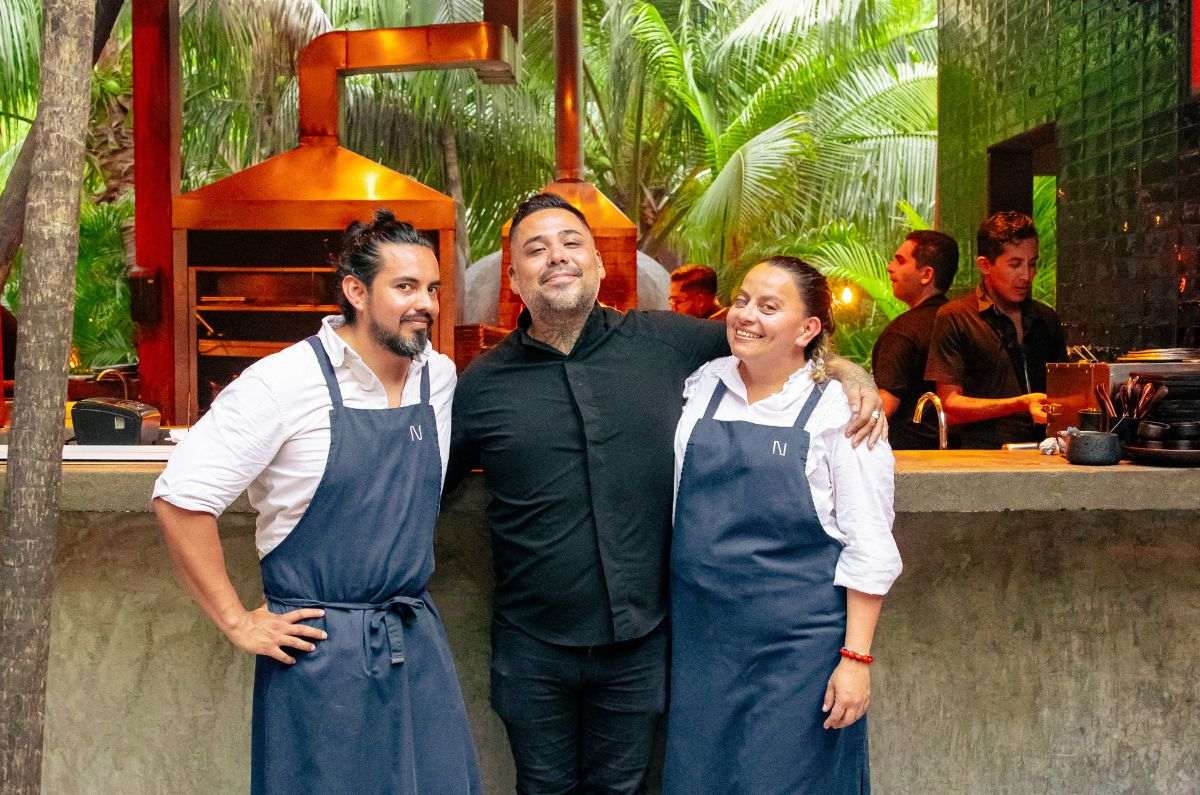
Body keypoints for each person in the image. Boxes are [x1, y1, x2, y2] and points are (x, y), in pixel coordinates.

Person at [449, 192, 887, 794]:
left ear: (601, 265)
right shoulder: (480, 386)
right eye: (536, 249)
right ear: (514, 275)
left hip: (642, 645)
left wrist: (849, 372)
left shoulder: (670, 344)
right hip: (534, 646)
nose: (557, 257)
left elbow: (778, 347)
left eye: (572, 243)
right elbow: (425, 487)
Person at [153, 210, 480, 794]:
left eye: (431, 288)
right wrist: (236, 621)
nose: (425, 303)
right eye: (404, 287)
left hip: (413, 637)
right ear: (356, 291)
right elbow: (182, 497)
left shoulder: (441, 378)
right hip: (319, 653)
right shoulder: (280, 383)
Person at [665, 256, 901, 794]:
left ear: (808, 328)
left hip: (796, 654)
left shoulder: (841, 411)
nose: (746, 315)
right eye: (743, 300)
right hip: (702, 645)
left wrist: (856, 659)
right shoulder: (702, 385)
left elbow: (870, 545)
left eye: (769, 307)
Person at [925, 211, 1066, 448]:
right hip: (981, 457)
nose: (1026, 275)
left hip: (1046, 453)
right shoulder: (956, 316)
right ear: (985, 265)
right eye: (1015, 264)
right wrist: (1019, 403)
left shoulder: (1046, 318)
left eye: (1032, 264)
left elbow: (1064, 392)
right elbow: (950, 406)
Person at [871, 230, 959, 448]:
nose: (890, 267)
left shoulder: (904, 331)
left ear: (926, 274)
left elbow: (885, 405)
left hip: (911, 456)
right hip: (964, 452)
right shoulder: (961, 322)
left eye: (900, 261)